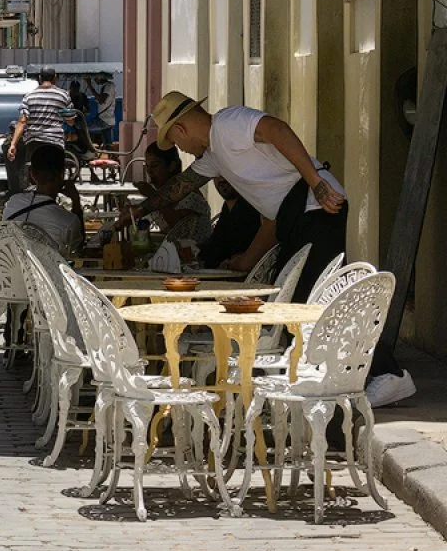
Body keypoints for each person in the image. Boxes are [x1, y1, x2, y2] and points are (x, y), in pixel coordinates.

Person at [115, 92, 415, 407]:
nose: (181, 150)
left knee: (313, 300)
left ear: (180, 130)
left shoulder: (229, 124)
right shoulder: (216, 154)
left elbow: (276, 129)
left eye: (176, 144)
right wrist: (140, 211)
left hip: (315, 204)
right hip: (295, 213)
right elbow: (181, 187)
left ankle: (387, 373)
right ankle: (355, 373)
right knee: (304, 301)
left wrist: (316, 182)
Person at [2, 144, 84, 255]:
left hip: (9, 270)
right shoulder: (68, 221)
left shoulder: (13, 202)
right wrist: (76, 201)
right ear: (61, 175)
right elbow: (78, 246)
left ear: (32, 174)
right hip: (47, 272)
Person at [134, 142, 212, 245]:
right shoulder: (161, 194)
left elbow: (180, 229)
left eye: (155, 166)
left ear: (171, 166)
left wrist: (152, 195)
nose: (149, 171)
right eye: (147, 166)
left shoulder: (188, 194)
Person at [7, 68, 73, 185]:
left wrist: (13, 144)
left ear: (39, 78)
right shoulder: (63, 95)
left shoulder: (29, 96)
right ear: (55, 78)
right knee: (56, 177)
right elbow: (71, 121)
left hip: (34, 144)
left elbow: (22, 122)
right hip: (55, 143)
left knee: (35, 178)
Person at [201, 177, 261, 269]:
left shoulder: (252, 209)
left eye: (226, 172)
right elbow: (215, 243)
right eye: (217, 174)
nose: (221, 179)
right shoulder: (227, 209)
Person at [87, 72, 117, 146]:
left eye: (95, 78)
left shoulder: (108, 86)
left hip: (104, 120)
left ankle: (89, 149)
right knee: (108, 144)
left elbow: (101, 100)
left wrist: (90, 86)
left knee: (84, 129)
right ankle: (111, 155)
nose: (95, 80)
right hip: (108, 119)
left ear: (100, 77)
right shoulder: (107, 86)